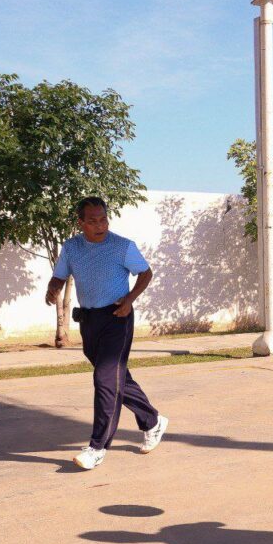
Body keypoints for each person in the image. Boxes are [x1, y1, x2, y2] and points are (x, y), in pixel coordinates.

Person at [45, 197, 168, 470]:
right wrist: (51, 289)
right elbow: (60, 275)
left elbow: (145, 274)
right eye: (92, 220)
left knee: (104, 380)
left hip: (117, 317)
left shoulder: (122, 246)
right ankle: (153, 421)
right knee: (116, 378)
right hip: (89, 321)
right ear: (81, 223)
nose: (99, 225)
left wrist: (130, 299)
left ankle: (97, 447)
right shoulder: (72, 248)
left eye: (103, 219)